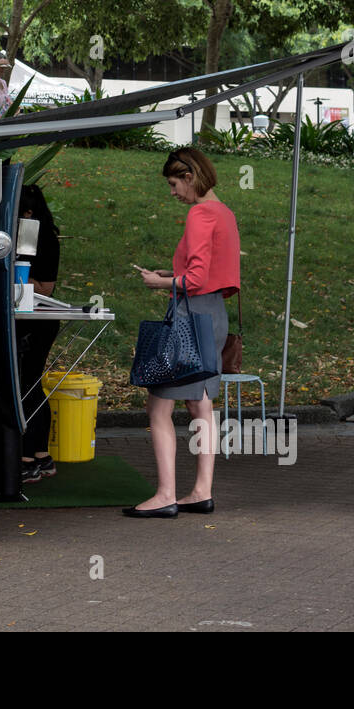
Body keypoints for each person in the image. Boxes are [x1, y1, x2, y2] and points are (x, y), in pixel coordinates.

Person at [125, 147, 240, 519]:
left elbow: (195, 278)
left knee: (159, 405)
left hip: (192, 314)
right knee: (201, 404)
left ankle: (165, 495)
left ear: (190, 177)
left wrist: (158, 284)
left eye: (175, 184)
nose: (173, 192)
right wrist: (167, 275)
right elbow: (210, 273)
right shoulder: (225, 213)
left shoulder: (200, 214)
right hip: (215, 316)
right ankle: (202, 491)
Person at [16, 184, 61, 484]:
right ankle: (40, 455)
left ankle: (28, 456)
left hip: (40, 320)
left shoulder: (46, 238)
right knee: (29, 383)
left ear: (29, 213)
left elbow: (46, 288)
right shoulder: (28, 234)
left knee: (28, 384)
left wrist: (19, 279)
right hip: (23, 317)